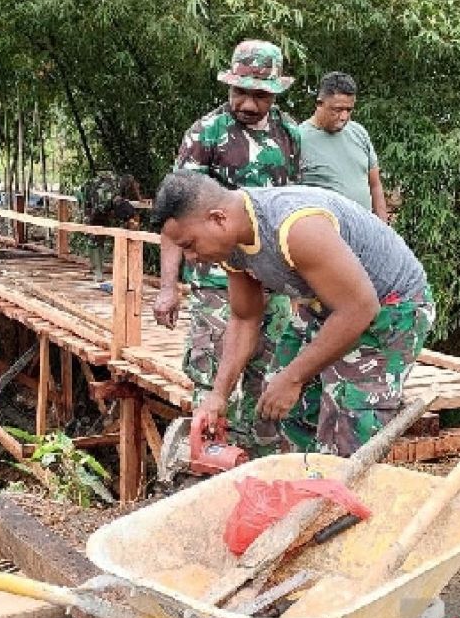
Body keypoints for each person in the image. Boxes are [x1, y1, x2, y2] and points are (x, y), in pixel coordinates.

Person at [154, 171, 434, 456]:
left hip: (392, 309)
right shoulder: (231, 243)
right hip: (325, 304)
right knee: (276, 401)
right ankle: (301, 482)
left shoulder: (295, 228)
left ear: (218, 218)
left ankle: (337, 487)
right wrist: (218, 395)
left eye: (189, 245)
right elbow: (244, 317)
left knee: (347, 429)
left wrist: (294, 378)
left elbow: (360, 308)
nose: (189, 258)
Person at [152, 40, 302, 456]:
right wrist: (168, 286)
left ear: (274, 93)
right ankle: (208, 459)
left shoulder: (289, 135)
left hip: (272, 279)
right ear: (229, 87)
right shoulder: (206, 134)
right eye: (241, 92)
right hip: (215, 281)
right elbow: (175, 216)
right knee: (214, 374)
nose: (249, 104)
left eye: (260, 95)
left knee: (268, 374)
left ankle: (259, 465)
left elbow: (295, 204)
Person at [299, 72, 399, 222]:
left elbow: (375, 185)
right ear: (319, 103)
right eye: (337, 110)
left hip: (365, 230)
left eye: (349, 110)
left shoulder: (358, 132)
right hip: (326, 235)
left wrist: (383, 227)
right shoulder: (298, 139)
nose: (344, 117)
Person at [77, 170, 142, 286]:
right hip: (90, 204)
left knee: (98, 237)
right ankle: (97, 272)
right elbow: (100, 209)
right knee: (94, 238)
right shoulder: (111, 192)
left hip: (96, 203)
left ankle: (96, 268)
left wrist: (139, 199)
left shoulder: (116, 182)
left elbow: (132, 186)